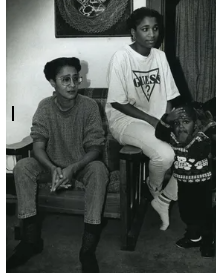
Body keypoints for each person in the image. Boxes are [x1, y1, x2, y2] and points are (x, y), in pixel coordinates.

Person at [6, 57, 109, 273]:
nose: (72, 84)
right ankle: (31, 241)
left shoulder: (90, 106)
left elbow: (95, 148)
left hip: (80, 165)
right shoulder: (44, 107)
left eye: (75, 78)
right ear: (52, 82)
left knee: (99, 170)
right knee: (22, 166)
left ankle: (87, 251)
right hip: (49, 165)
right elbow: (38, 146)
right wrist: (53, 168)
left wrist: (73, 168)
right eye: (65, 80)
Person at [105, 7, 180, 230]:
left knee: (195, 151)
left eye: (155, 29)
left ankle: (164, 199)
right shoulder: (122, 57)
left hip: (156, 120)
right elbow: (118, 102)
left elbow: (169, 96)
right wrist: (153, 121)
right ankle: (154, 188)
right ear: (133, 33)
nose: (152, 34)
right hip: (125, 120)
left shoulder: (160, 56)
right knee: (165, 155)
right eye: (145, 29)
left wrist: (165, 118)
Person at [154, 104, 216, 258]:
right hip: (183, 184)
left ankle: (208, 243)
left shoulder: (202, 138)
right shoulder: (172, 137)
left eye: (186, 122)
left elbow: (199, 151)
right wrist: (167, 119)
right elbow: (159, 133)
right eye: (177, 123)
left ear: (195, 124)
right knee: (187, 213)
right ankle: (194, 237)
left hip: (204, 185)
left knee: (205, 215)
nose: (181, 127)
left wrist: (187, 138)